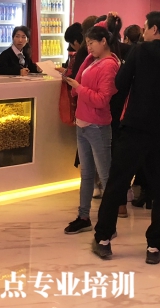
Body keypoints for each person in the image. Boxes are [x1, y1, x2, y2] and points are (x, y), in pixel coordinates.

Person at [92, 12, 160, 265]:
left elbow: (120, 83)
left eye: (146, 27)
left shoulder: (139, 51)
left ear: (154, 29)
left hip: (135, 127)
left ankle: (103, 239)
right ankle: (155, 246)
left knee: (117, 182)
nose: (144, 31)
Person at [63, 25, 119, 235]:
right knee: (86, 174)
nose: (89, 47)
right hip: (83, 122)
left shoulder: (109, 65)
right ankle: (83, 216)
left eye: (91, 43)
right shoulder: (93, 60)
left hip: (97, 125)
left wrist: (78, 87)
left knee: (105, 176)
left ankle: (108, 223)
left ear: (104, 41)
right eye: (87, 43)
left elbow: (102, 99)